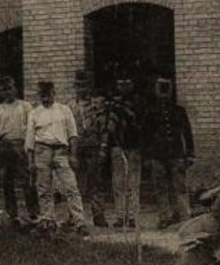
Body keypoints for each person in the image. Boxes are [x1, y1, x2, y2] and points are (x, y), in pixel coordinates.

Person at [25, 80, 89, 236]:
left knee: (71, 187)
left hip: (61, 151)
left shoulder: (64, 110)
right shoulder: (35, 113)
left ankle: (80, 222)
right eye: (42, 95)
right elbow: (30, 139)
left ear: (54, 93)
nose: (45, 98)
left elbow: (73, 134)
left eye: (48, 94)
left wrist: (73, 155)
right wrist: (30, 161)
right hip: (42, 151)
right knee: (44, 189)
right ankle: (48, 220)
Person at [145, 76, 195, 229]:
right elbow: (146, 135)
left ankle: (184, 217)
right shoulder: (151, 111)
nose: (164, 93)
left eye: (166, 89)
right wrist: (147, 157)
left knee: (180, 187)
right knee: (160, 188)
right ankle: (164, 217)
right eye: (161, 89)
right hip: (158, 155)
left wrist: (190, 153)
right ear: (156, 91)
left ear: (171, 91)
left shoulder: (179, 111)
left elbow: (187, 133)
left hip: (177, 154)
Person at [0, 76, 39, 224]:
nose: (7, 92)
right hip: (4, 146)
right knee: (7, 181)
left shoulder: (25, 107)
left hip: (21, 145)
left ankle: (34, 213)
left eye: (10, 88)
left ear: (15, 89)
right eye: (4, 90)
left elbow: (32, 129)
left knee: (27, 180)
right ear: (1, 92)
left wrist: (30, 148)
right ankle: (12, 214)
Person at [100, 77, 143, 230]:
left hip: (133, 146)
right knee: (118, 183)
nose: (123, 87)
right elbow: (108, 126)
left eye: (126, 84)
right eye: (120, 84)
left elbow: (140, 123)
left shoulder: (138, 102)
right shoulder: (112, 104)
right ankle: (120, 216)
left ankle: (132, 217)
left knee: (133, 183)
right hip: (117, 146)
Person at [69, 70, 108, 228]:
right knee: (75, 184)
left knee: (95, 183)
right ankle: (74, 217)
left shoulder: (96, 104)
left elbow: (104, 126)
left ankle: (98, 215)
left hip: (93, 146)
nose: (81, 89)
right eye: (78, 86)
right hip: (77, 148)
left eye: (84, 86)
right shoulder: (70, 105)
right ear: (74, 87)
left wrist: (103, 147)